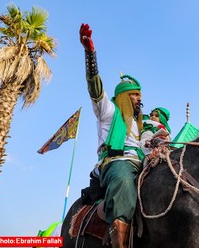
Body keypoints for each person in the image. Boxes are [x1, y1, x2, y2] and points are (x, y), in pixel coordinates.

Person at [80, 23, 145, 248]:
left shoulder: (140, 126)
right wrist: (90, 55)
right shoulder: (108, 112)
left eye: (140, 95)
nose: (139, 99)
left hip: (142, 162)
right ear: (123, 97)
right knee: (124, 180)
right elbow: (95, 89)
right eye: (134, 95)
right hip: (117, 163)